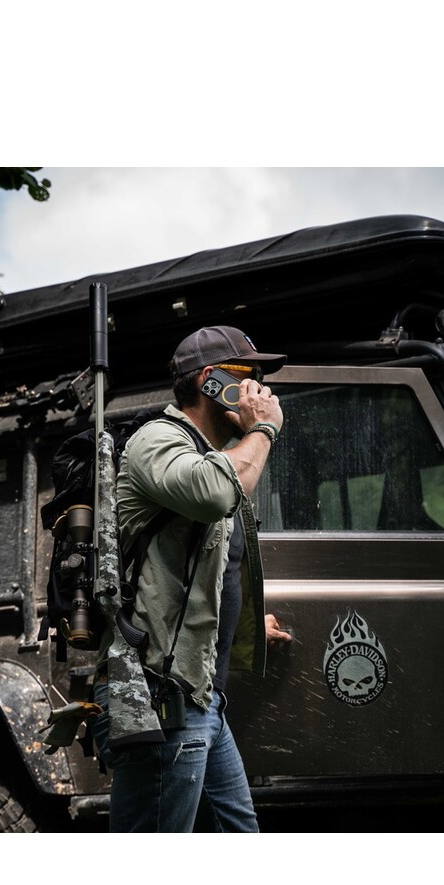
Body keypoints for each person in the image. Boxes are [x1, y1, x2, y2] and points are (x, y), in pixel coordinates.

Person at [92, 325, 292, 832]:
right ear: (210, 381)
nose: (260, 387)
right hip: (162, 697)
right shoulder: (158, 440)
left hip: (202, 698)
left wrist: (244, 627)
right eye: (248, 374)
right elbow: (215, 493)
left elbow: (204, 571)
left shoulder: (209, 455)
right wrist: (263, 430)